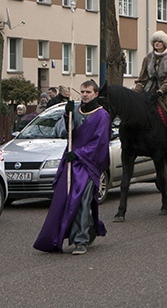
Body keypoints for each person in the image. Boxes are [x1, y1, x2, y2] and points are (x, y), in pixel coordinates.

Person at [34, 80, 111, 254]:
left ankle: (81, 240)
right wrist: (67, 116)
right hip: (71, 161)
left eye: (88, 92)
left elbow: (100, 142)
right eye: (82, 91)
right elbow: (65, 132)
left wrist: (80, 154)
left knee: (82, 200)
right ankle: (58, 235)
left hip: (88, 163)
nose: (84, 94)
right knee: (63, 199)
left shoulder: (102, 115)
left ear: (96, 94)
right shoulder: (76, 110)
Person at [132, 30, 167, 152]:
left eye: (160, 41)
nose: (157, 44)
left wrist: (160, 91)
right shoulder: (148, 58)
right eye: (155, 41)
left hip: (164, 91)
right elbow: (142, 77)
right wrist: (136, 92)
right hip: (148, 89)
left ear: (164, 44)